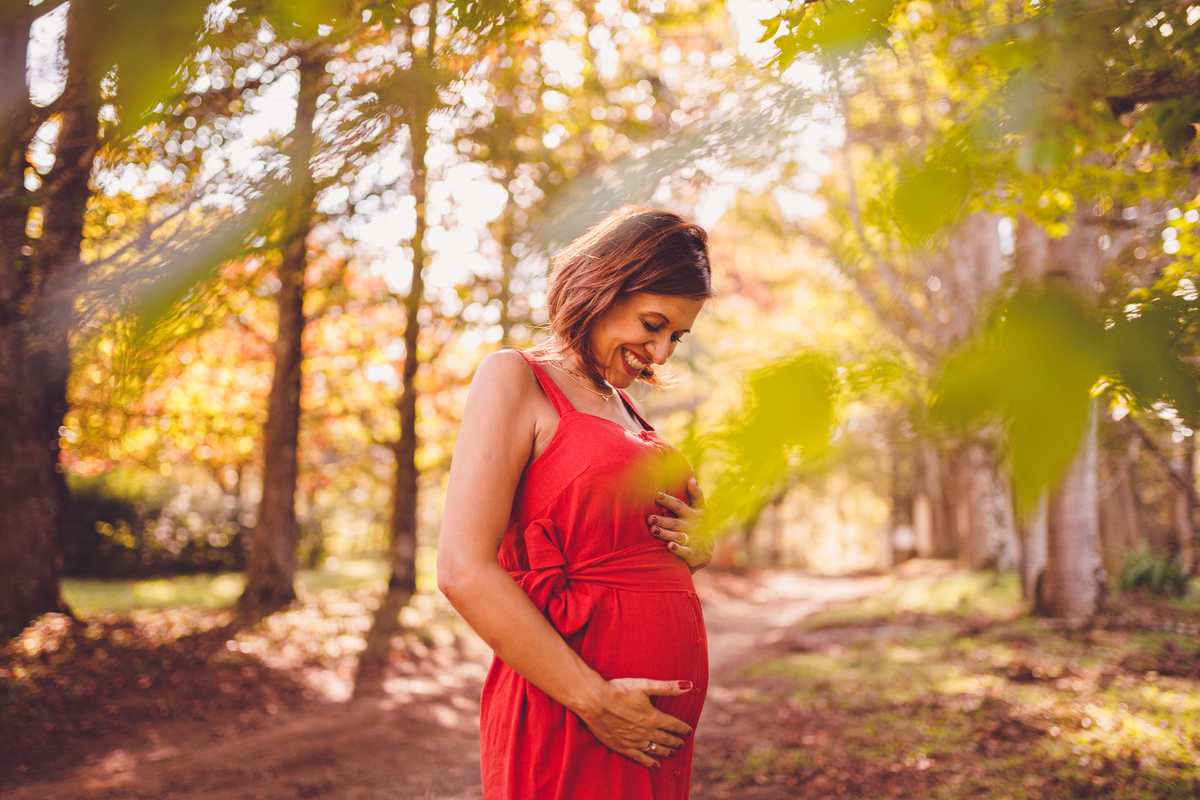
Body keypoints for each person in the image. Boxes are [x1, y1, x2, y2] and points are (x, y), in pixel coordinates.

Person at [437, 205, 715, 800]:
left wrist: (694, 548)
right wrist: (596, 701)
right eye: (652, 323)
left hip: (648, 728)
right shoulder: (515, 378)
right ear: (602, 285)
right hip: (577, 704)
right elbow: (462, 569)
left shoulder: (624, 406)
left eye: (677, 337)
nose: (662, 353)